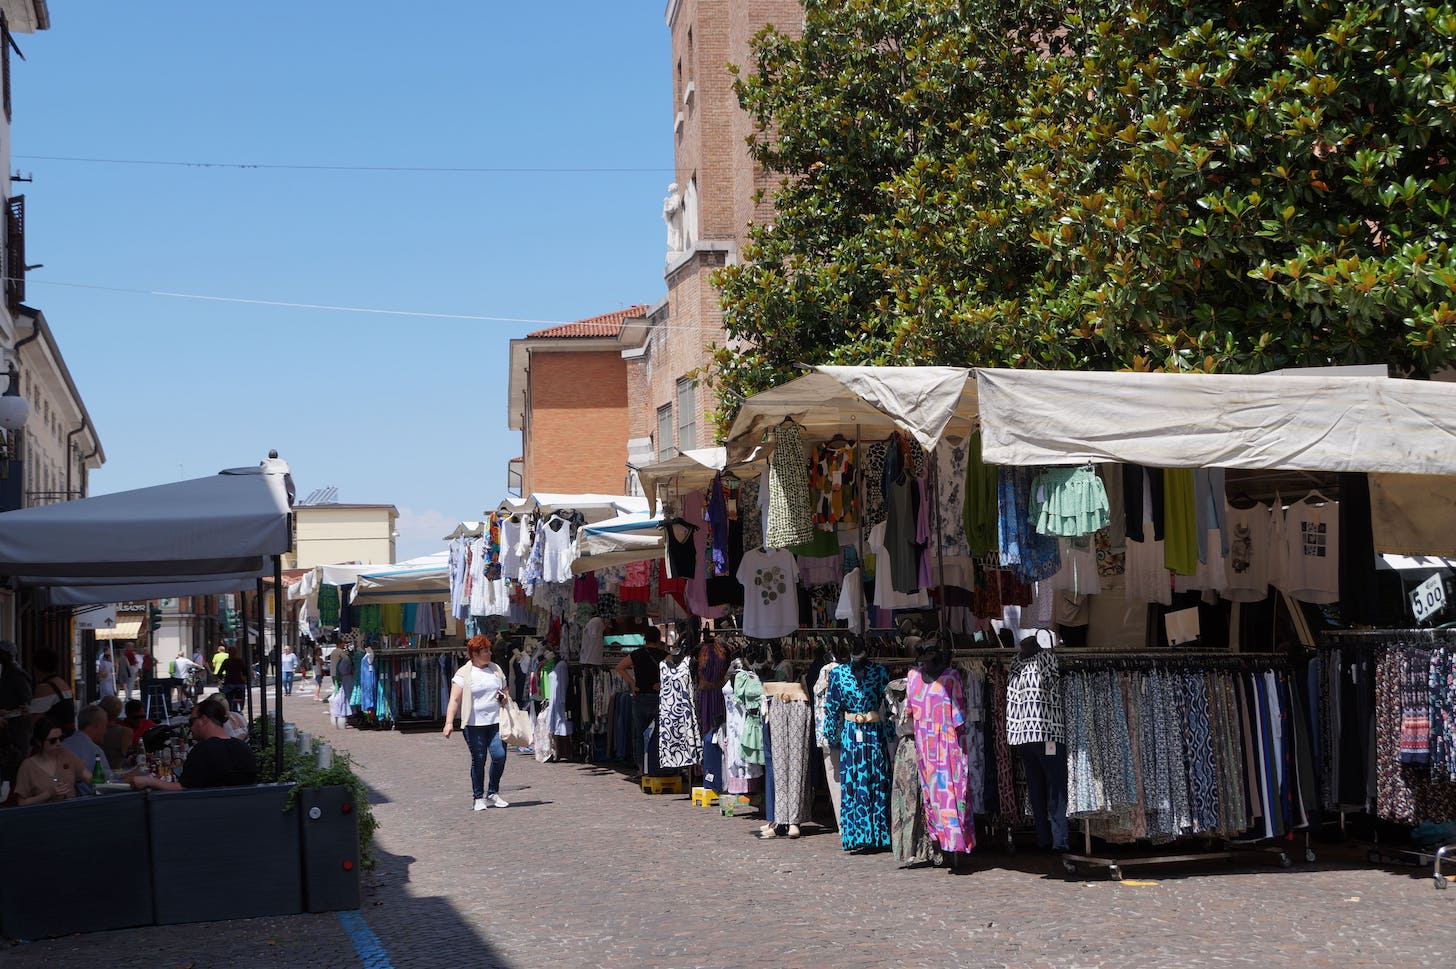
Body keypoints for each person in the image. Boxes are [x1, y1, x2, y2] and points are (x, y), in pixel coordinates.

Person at [130, 696, 258, 791]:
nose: (190, 727)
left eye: (191, 721)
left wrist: (148, 781)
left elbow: (183, 788)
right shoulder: (244, 748)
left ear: (203, 720)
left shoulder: (203, 750)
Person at [441, 635, 510, 812]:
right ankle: (478, 797)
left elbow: (505, 690)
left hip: (496, 722)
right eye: (485, 651)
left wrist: (503, 697)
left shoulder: (495, 669)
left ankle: (493, 792)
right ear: (474, 654)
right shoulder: (464, 674)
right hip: (473, 725)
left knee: (499, 756)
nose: (489, 653)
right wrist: (449, 723)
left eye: (489, 650)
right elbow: (454, 700)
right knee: (479, 759)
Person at [614, 626, 669, 778]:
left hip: (640, 697)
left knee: (639, 734)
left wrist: (632, 683)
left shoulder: (636, 654)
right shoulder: (665, 655)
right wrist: (663, 683)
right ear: (658, 639)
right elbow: (675, 671)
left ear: (645, 639)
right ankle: (656, 767)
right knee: (658, 734)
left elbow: (619, 667)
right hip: (658, 697)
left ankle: (641, 768)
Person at [14, 717, 88, 805]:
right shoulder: (28, 766)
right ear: (39, 742)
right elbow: (21, 803)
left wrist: (105, 784)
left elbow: (88, 777)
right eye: (53, 740)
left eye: (60, 738)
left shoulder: (66, 755)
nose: (59, 743)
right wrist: (48, 794)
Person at [62, 704, 116, 784]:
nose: (105, 732)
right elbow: (107, 784)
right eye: (105, 727)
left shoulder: (63, 744)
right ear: (98, 725)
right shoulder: (96, 751)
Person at [27, 648, 76, 735]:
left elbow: (35, 721)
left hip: (54, 739)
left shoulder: (44, 688)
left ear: (36, 668)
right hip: (68, 735)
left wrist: (27, 713)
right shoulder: (62, 683)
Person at [97, 696, 134, 770]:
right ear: (119, 711)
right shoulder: (126, 732)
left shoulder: (94, 730)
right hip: (117, 772)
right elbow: (126, 756)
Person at [220, 646, 248, 713]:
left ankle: (228, 709)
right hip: (239, 683)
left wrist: (220, 678)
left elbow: (220, 673)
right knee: (241, 697)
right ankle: (240, 708)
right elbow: (245, 672)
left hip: (229, 683)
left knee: (225, 698)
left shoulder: (226, 661)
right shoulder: (239, 661)